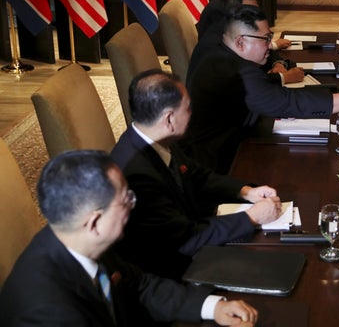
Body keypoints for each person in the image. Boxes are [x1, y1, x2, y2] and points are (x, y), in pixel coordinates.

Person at [0, 150, 258, 327]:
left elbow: (140, 285)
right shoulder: (49, 313)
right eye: (126, 200)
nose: (132, 207)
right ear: (94, 222)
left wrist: (212, 307)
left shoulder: (75, 238)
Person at [111, 69, 282, 280]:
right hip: (171, 271)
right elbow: (186, 239)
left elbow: (197, 175)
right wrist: (252, 217)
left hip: (192, 233)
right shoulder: (137, 175)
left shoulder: (154, 136)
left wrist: (246, 192)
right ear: (169, 119)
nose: (193, 113)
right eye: (188, 108)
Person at [182, 3, 339, 174]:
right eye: (265, 40)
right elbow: (288, 102)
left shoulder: (217, 43)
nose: (270, 46)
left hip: (230, 137)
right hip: (218, 162)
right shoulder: (236, 70)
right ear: (240, 42)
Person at [190, 0, 304, 87]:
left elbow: (266, 46)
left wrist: (278, 64)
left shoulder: (233, 28)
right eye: (250, 12)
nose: (257, 15)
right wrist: (283, 78)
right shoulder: (217, 43)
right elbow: (242, 84)